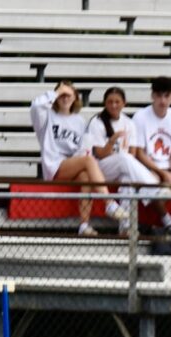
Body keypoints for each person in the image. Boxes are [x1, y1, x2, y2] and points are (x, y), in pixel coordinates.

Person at [30, 81, 128, 236]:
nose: (64, 98)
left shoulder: (79, 121)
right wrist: (57, 91)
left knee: (86, 175)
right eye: (61, 94)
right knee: (89, 161)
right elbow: (36, 106)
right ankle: (109, 203)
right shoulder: (46, 116)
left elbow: (83, 148)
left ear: (75, 97)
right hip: (54, 166)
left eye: (68, 95)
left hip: (72, 166)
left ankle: (84, 225)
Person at [84, 86, 171, 236]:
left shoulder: (129, 123)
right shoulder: (97, 122)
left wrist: (124, 160)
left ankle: (126, 227)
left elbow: (133, 153)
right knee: (124, 158)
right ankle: (153, 189)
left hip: (122, 167)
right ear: (105, 103)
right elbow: (99, 154)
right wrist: (111, 142)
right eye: (110, 102)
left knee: (128, 178)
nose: (113, 105)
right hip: (100, 169)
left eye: (117, 101)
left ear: (124, 103)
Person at [131, 76, 171, 246]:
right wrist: (162, 172)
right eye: (159, 96)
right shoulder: (140, 117)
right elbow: (139, 153)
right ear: (152, 96)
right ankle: (168, 220)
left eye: (166, 96)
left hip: (168, 165)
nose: (163, 100)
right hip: (148, 165)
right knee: (152, 181)